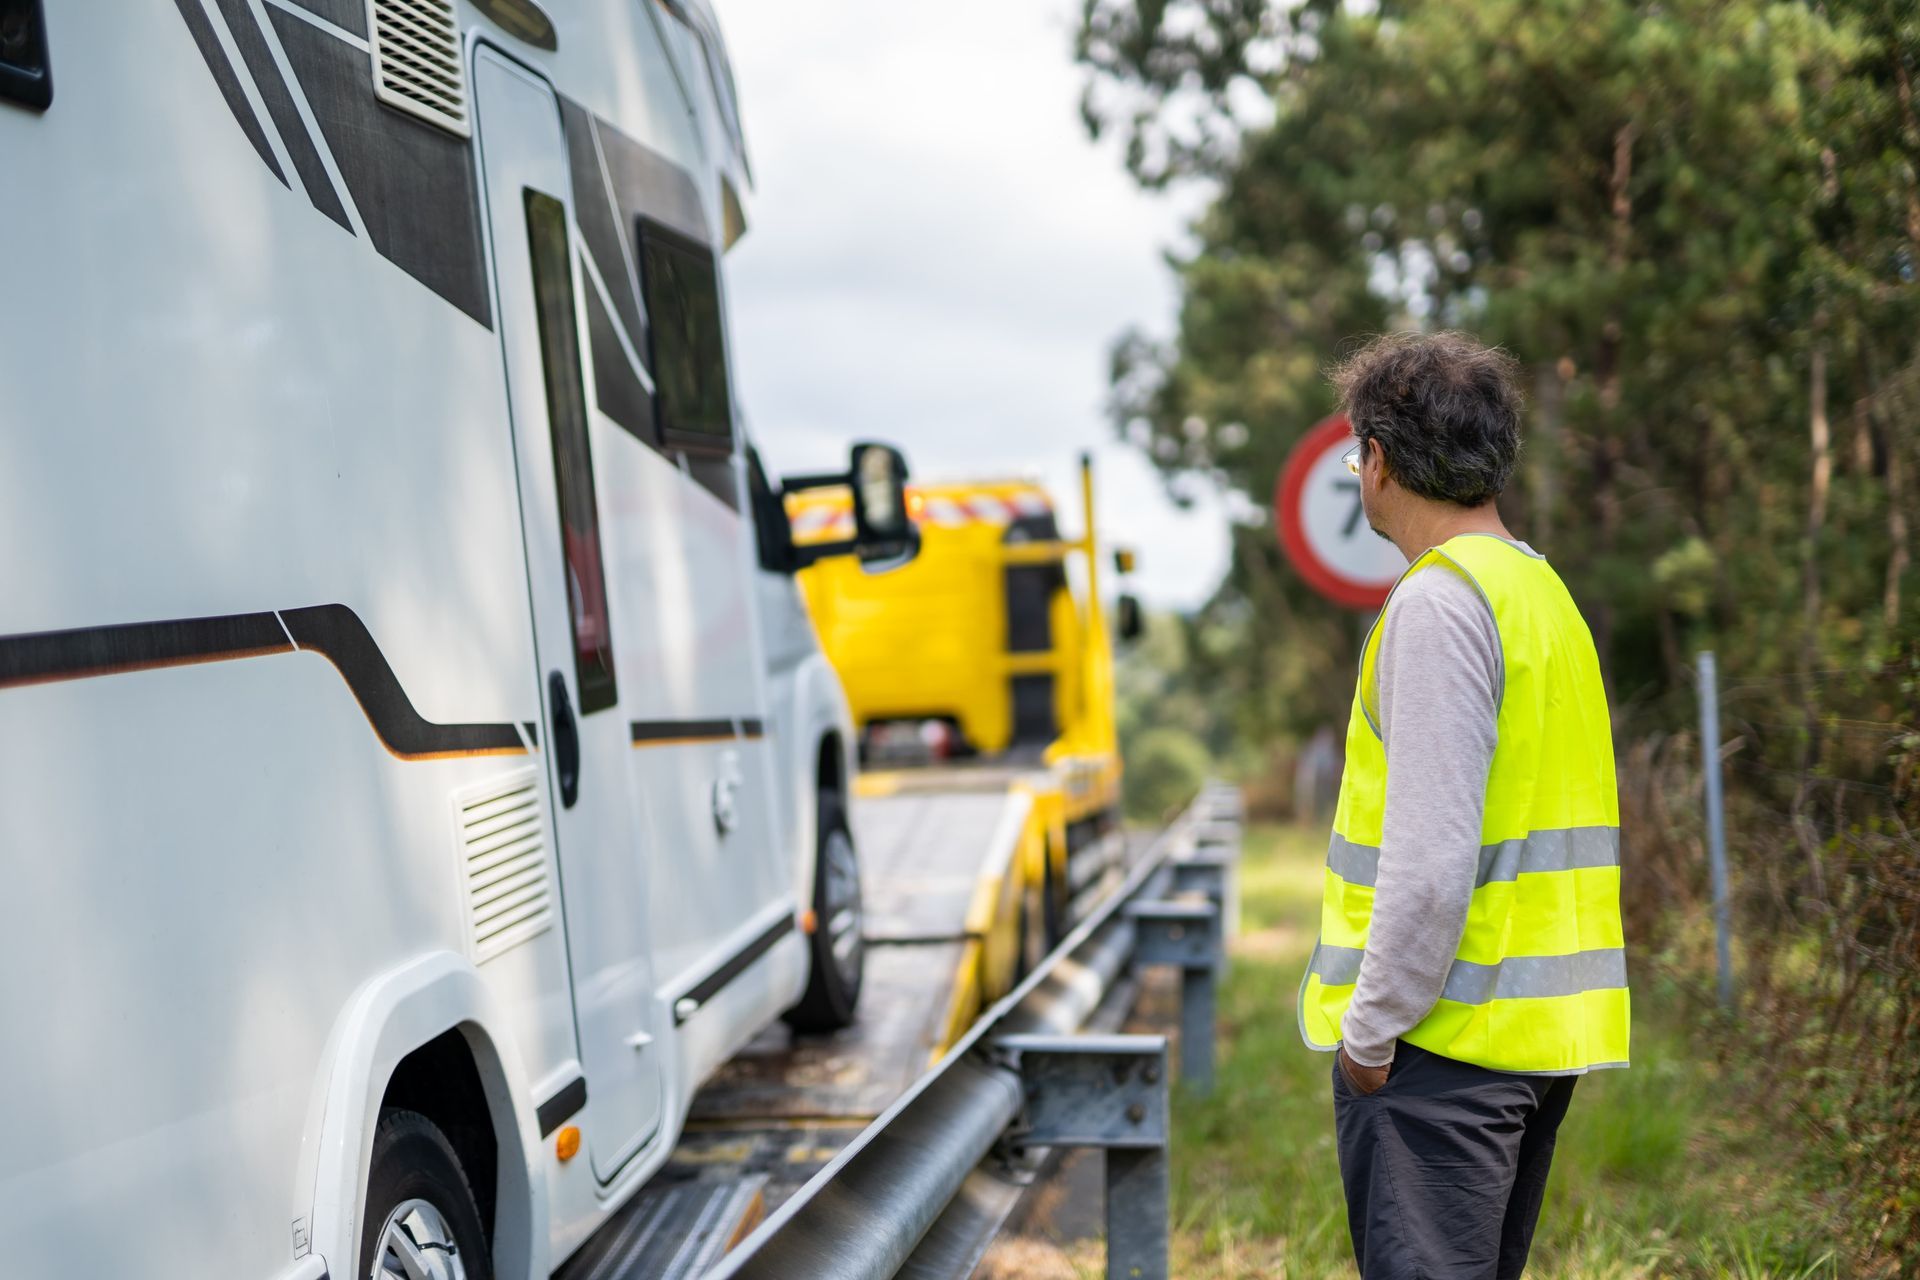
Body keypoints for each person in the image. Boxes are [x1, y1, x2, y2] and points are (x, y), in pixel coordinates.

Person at [1297, 332, 1629, 1280]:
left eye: (1359, 451)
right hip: (1528, 1042)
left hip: (1440, 1046)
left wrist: (1368, 1036)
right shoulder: (1538, 587)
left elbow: (1432, 861)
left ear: (1381, 462)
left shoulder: (1441, 604)